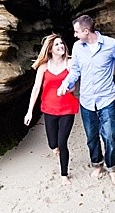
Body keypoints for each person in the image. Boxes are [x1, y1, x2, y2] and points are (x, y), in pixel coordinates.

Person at [57, 14, 115, 186]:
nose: (74, 35)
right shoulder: (77, 48)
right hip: (86, 100)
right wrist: (65, 84)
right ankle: (97, 164)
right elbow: (74, 71)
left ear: (86, 31)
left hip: (106, 98)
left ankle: (112, 168)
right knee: (91, 136)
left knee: (110, 136)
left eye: (76, 32)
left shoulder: (111, 45)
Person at [24, 34, 80, 181]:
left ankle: (64, 174)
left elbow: (74, 84)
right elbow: (36, 88)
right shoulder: (43, 67)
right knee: (52, 143)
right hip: (49, 109)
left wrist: (67, 89)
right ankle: (55, 148)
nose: (60, 46)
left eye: (61, 43)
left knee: (62, 143)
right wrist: (29, 111)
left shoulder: (70, 63)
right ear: (50, 49)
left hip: (67, 108)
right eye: (56, 44)